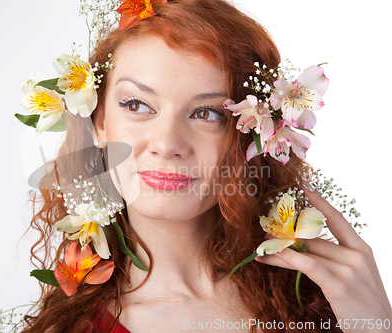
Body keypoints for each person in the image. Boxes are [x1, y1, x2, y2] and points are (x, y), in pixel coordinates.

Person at [20, 0, 392, 332]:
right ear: (98, 122)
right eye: (136, 105)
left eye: (206, 113)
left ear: (249, 134)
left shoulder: (324, 301)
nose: (166, 145)